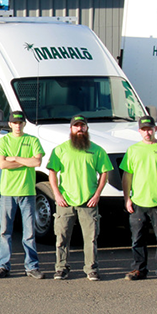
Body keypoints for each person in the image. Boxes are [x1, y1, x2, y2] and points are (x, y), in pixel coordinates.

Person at [47, 115, 112, 281]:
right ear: (71, 129)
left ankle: (91, 269)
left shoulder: (97, 150)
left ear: (87, 129)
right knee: (61, 236)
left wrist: (97, 194)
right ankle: (61, 268)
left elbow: (105, 172)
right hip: (65, 201)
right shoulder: (60, 150)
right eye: (76, 126)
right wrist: (57, 194)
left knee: (90, 238)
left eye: (82, 126)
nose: (79, 129)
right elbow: (52, 172)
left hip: (88, 201)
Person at [121, 115, 157, 283]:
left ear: (155, 129)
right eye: (144, 129)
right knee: (137, 238)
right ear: (139, 131)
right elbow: (127, 175)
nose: (147, 132)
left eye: (150, 129)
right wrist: (127, 198)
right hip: (139, 202)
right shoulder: (133, 150)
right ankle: (139, 269)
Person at [0, 111, 45, 279]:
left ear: (24, 124)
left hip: (27, 192)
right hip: (7, 192)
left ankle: (31, 266)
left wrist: (15, 158)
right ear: (9, 124)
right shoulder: (4, 141)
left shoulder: (32, 140)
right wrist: (25, 161)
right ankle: (3, 266)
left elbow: (36, 162)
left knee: (29, 232)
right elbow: (2, 164)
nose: (17, 125)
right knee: (5, 232)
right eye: (14, 123)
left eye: (20, 122)